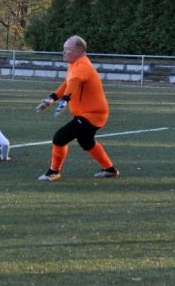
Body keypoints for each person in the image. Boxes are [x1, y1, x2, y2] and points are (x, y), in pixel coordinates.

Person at [35, 35, 117, 181]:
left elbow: (74, 82)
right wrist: (52, 98)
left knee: (59, 138)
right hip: (89, 113)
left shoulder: (83, 66)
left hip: (92, 114)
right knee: (86, 142)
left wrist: (65, 99)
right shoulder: (74, 64)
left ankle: (54, 171)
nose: (63, 52)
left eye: (67, 50)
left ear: (79, 51)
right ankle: (110, 170)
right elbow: (67, 83)